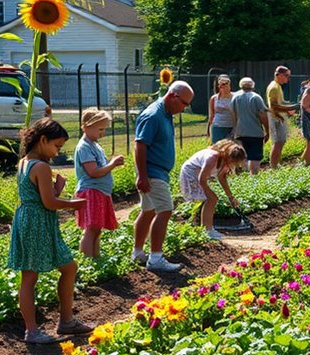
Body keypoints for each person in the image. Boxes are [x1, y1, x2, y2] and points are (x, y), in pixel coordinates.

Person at [8, 119, 91, 344]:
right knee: (30, 277)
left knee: (67, 267)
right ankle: (33, 331)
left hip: (30, 220)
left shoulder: (25, 162)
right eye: (56, 146)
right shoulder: (42, 167)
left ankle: (66, 322)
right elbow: (49, 203)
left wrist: (57, 189)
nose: (57, 152)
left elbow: (42, 196)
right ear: (43, 140)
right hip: (37, 223)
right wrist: (74, 204)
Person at [132, 80, 193, 272]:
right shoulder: (153, 115)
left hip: (155, 171)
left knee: (148, 211)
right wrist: (142, 176)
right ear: (173, 96)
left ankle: (138, 253)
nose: (184, 108)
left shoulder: (165, 113)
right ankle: (156, 258)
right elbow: (140, 145)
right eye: (184, 103)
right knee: (165, 210)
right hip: (152, 172)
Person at [74, 108, 124, 258]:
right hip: (91, 192)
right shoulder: (84, 147)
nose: (103, 133)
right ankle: (86, 261)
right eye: (100, 129)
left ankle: (95, 258)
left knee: (97, 228)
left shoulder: (94, 145)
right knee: (91, 228)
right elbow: (93, 172)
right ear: (86, 127)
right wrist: (112, 164)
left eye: (105, 129)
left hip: (100, 192)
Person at [179, 140, 246, 240]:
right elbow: (202, 179)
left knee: (211, 199)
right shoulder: (212, 157)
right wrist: (207, 191)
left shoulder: (224, 160)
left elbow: (222, 178)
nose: (233, 165)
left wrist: (230, 197)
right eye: (233, 162)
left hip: (198, 175)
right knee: (211, 199)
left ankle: (207, 229)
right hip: (191, 173)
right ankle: (207, 230)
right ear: (228, 156)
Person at [231, 77, 270, 175]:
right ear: (252, 85)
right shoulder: (256, 97)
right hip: (255, 132)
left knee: (242, 155)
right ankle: (253, 176)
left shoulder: (235, 97)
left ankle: (242, 175)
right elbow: (263, 115)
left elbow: (233, 115)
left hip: (240, 132)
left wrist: (235, 129)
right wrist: (267, 130)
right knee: (254, 157)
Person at [266, 66, 296, 169]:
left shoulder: (277, 86)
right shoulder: (274, 87)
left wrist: (289, 106)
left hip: (279, 118)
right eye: (287, 75)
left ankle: (276, 164)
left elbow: (280, 103)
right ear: (278, 75)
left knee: (281, 141)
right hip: (276, 118)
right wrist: (289, 109)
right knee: (277, 142)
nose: (288, 78)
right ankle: (274, 166)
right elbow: (273, 106)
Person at [207, 74, 234, 144]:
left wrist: (236, 129)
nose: (223, 86)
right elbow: (211, 115)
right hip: (218, 127)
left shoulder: (235, 97)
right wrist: (208, 129)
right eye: (221, 84)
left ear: (229, 85)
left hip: (231, 127)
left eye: (225, 84)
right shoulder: (214, 98)